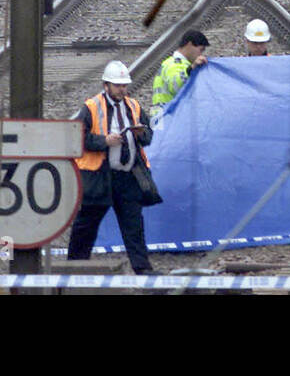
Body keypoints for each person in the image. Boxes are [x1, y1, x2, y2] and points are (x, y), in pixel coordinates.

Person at [68, 60, 156, 274]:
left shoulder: (133, 106)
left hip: (128, 177)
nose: (122, 89)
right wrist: (104, 142)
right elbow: (76, 137)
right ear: (106, 85)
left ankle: (143, 269)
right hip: (99, 176)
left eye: (124, 85)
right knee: (86, 224)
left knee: (134, 226)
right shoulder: (91, 107)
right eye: (118, 85)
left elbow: (149, 135)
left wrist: (141, 134)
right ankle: (73, 268)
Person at [150, 30, 209, 120]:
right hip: (168, 117)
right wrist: (191, 69)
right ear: (189, 44)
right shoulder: (174, 64)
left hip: (162, 116)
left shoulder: (173, 63)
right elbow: (175, 86)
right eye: (200, 50)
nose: (201, 54)